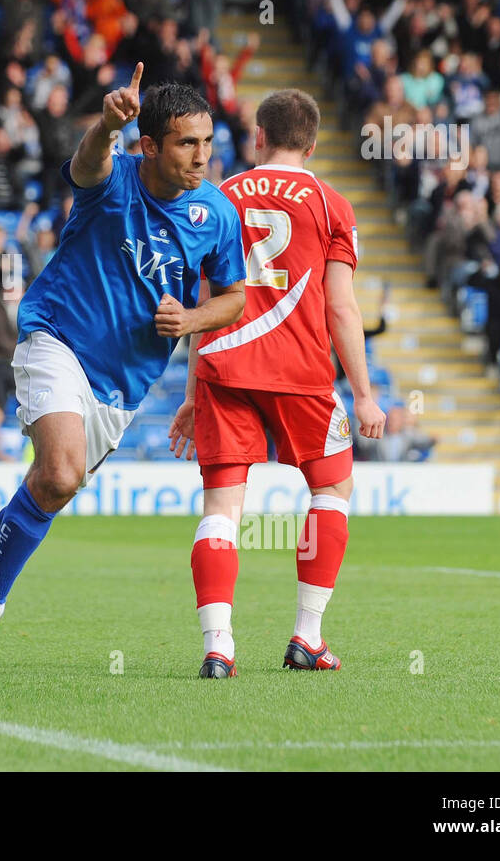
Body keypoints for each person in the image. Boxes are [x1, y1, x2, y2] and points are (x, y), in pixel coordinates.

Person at [0, 65, 247, 672]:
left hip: (123, 386)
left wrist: (194, 318)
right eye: (187, 143)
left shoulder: (217, 213)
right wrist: (106, 125)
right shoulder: (115, 179)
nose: (202, 156)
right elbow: (87, 164)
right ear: (149, 145)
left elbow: (237, 296)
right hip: (56, 338)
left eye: (208, 142)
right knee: (59, 471)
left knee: (51, 487)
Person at [171, 88, 385, 678]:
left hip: (222, 365)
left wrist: (191, 394)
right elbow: (341, 307)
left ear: (257, 137)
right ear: (312, 144)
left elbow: (205, 298)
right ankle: (306, 637)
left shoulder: (218, 197)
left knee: (220, 509)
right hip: (300, 372)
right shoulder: (330, 204)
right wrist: (363, 393)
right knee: (331, 491)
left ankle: (218, 648)